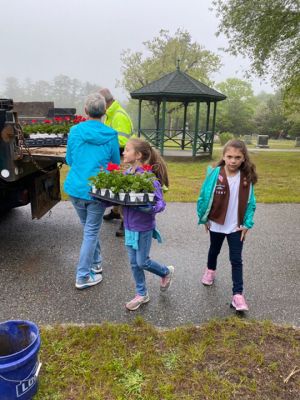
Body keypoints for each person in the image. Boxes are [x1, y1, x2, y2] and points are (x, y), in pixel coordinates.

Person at [64, 93, 120, 289]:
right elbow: (115, 164)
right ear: (104, 112)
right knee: (90, 231)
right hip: (96, 190)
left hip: (75, 188)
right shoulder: (111, 135)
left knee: (89, 229)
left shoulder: (75, 131)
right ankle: (82, 276)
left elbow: (69, 160)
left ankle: (96, 265)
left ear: (85, 111)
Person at [197, 139, 257, 311]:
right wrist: (204, 218)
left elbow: (251, 203)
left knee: (236, 260)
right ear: (223, 156)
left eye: (237, 157)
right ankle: (210, 270)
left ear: (243, 158)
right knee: (214, 250)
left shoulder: (247, 178)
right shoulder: (215, 174)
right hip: (216, 223)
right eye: (229, 156)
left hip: (236, 227)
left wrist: (247, 224)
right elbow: (204, 197)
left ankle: (237, 295)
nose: (233, 161)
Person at [121, 138, 175, 311]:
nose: (123, 152)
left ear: (138, 155)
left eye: (127, 150)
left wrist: (148, 208)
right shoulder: (126, 174)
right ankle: (142, 294)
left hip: (143, 227)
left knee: (142, 261)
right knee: (133, 262)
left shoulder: (149, 178)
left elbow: (161, 204)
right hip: (128, 226)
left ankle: (166, 271)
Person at [99, 88, 134, 237]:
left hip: (123, 156)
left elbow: (122, 140)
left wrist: (102, 142)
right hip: (116, 155)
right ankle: (115, 211)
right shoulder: (110, 114)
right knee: (115, 185)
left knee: (123, 188)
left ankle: (126, 222)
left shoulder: (118, 115)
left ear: (105, 103)